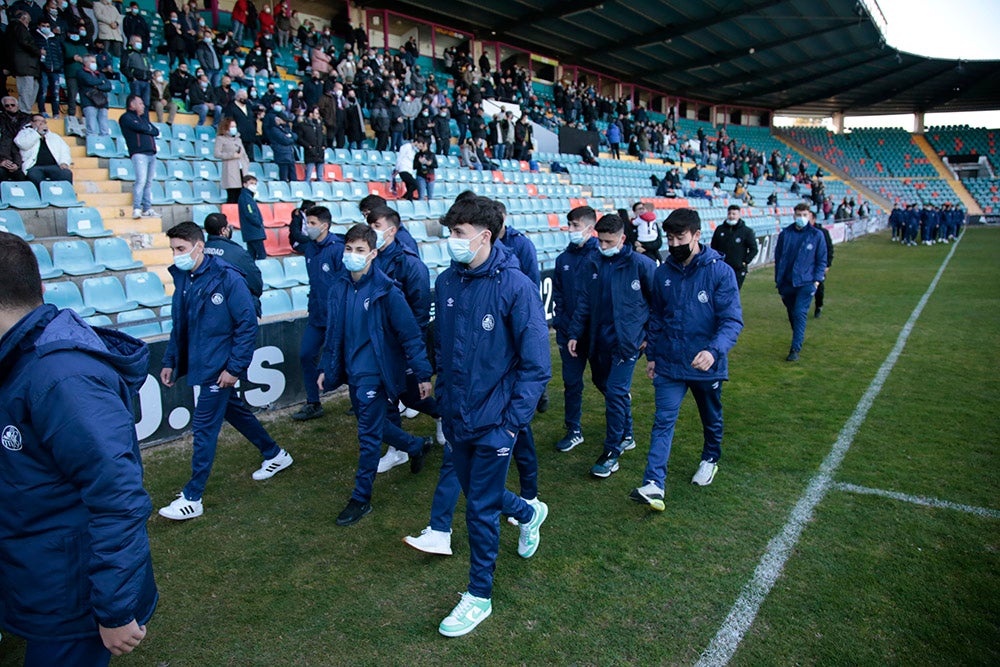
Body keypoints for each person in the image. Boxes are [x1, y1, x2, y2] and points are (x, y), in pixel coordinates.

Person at [0, 231, 158, 666]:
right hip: (40, 575)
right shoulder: (22, 360)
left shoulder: (62, 378)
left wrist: (113, 609)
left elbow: (118, 498)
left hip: (71, 598)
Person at [415, 195, 550, 638]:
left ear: (484, 236)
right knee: (479, 493)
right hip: (457, 414)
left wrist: (512, 421)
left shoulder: (516, 286)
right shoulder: (447, 283)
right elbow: (444, 346)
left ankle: (479, 595)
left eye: (458, 234)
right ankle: (529, 514)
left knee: (478, 509)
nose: (451, 242)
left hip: (496, 420)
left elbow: (535, 366)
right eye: (451, 233)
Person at [158, 222, 294, 521]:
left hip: (218, 367)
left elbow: (247, 325)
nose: (176, 255)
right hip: (203, 363)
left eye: (180, 249)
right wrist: (170, 360)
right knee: (235, 412)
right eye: (172, 250)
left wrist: (234, 368)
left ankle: (193, 497)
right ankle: (275, 454)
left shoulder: (228, 278)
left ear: (199, 246)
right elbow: (179, 324)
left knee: (204, 429)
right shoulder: (183, 277)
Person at [317, 224, 433, 526]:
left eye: (359, 250)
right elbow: (333, 334)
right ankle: (415, 445)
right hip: (352, 372)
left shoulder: (387, 291)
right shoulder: (339, 286)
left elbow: (410, 335)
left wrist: (422, 374)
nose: (352, 255)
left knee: (368, 435)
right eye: (348, 249)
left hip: (376, 374)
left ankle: (360, 498)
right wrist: (325, 367)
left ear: (372, 253)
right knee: (373, 422)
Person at [631, 209, 744, 510]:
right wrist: (652, 356)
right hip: (669, 362)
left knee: (711, 416)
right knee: (663, 421)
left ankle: (710, 457)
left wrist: (713, 351)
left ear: (696, 235)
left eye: (680, 237)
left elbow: (732, 321)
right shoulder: (663, 273)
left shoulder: (720, 272)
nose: (674, 243)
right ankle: (654, 483)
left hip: (706, 364)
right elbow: (657, 317)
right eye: (669, 238)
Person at [567, 213, 656, 478]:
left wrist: (648, 336)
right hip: (598, 340)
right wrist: (575, 333)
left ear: (622, 239)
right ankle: (627, 433)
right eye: (600, 241)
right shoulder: (592, 262)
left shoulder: (641, 265)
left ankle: (611, 452)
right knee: (603, 385)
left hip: (627, 343)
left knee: (616, 392)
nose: (603, 246)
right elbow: (583, 301)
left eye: (608, 241)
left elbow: (659, 305)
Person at [366, 206, 444, 470]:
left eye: (376, 226)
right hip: (378, 344)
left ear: (392, 230)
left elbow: (419, 314)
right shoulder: (371, 258)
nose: (371, 231)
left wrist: (413, 351)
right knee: (387, 398)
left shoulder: (411, 264)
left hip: (403, 344)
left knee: (411, 396)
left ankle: (440, 415)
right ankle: (398, 448)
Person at [288, 205, 344, 422]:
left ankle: (360, 400)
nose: (308, 227)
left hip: (336, 317)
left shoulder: (338, 249)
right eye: (307, 223)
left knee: (345, 359)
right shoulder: (310, 248)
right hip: (317, 315)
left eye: (312, 223)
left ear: (325, 226)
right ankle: (313, 402)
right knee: (306, 354)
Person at [552, 206, 599, 452]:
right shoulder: (563, 260)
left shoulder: (600, 256)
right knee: (572, 383)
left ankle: (623, 429)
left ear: (591, 229)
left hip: (597, 335)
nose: (570, 230)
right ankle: (574, 430)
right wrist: (562, 323)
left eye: (575, 226)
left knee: (607, 384)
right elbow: (558, 296)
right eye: (569, 225)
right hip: (568, 333)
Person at [774, 203, 827, 362]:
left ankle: (795, 349)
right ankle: (798, 334)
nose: (801, 218)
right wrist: (779, 280)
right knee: (792, 314)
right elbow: (778, 258)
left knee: (799, 312)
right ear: (794, 215)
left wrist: (817, 281)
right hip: (787, 283)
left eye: (804, 214)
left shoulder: (816, 235)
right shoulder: (786, 234)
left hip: (806, 282)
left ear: (809, 215)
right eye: (798, 214)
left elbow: (821, 259)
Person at [203, 212, 263, 317]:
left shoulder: (200, 252)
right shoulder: (237, 253)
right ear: (223, 231)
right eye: (228, 226)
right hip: (234, 308)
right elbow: (255, 282)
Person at [119, 94, 159, 219]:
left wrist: (146, 128)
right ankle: (136, 208)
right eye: (140, 103)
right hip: (139, 153)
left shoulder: (143, 118)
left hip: (151, 154)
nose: (143, 106)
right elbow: (139, 127)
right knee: (140, 181)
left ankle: (147, 208)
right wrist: (146, 128)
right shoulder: (126, 118)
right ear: (132, 105)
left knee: (148, 182)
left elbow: (155, 131)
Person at [15, 114, 73, 186]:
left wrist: (64, 162)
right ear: (31, 123)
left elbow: (65, 150)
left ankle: (64, 196)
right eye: (38, 121)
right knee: (35, 177)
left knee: (66, 174)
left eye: (43, 121)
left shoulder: (54, 136)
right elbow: (23, 144)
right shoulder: (24, 133)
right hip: (34, 167)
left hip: (53, 166)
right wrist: (37, 133)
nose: (41, 123)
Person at [710, 204, 759, 290]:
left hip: (738, 269)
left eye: (734, 214)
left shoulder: (746, 231)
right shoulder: (720, 229)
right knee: (719, 291)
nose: (731, 216)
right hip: (721, 267)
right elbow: (713, 247)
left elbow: (753, 249)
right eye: (729, 213)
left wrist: (745, 261)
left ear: (739, 215)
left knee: (733, 292)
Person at [10, 10, 41, 114]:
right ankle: (24, 114)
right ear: (23, 19)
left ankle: (25, 112)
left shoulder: (19, 28)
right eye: (28, 21)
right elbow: (25, 43)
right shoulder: (18, 27)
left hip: (30, 67)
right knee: (26, 92)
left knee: (32, 90)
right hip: (24, 66)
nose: (28, 23)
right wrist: (38, 51)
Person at [214, 117, 250, 203]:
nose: (234, 128)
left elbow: (244, 154)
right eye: (232, 126)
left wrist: (246, 162)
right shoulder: (221, 139)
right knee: (232, 195)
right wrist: (231, 155)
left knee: (241, 195)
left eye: (235, 126)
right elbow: (217, 154)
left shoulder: (238, 139)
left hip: (242, 169)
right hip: (230, 169)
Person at [77, 55, 113, 136]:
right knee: (91, 128)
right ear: (85, 63)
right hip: (89, 102)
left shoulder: (100, 74)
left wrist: (97, 85)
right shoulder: (81, 72)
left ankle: (105, 144)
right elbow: (89, 81)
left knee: (104, 128)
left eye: (95, 62)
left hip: (102, 102)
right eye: (92, 62)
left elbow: (109, 86)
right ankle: (92, 145)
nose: (94, 64)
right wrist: (101, 82)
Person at [238, 174, 266, 260]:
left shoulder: (247, 196)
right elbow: (250, 213)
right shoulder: (246, 198)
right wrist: (258, 223)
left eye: (255, 183)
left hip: (251, 232)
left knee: (251, 256)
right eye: (251, 183)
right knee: (261, 255)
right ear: (244, 184)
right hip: (254, 231)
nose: (253, 185)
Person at [811, 211, 833, 318]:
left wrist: (827, 264)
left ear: (814, 219)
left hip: (819, 265)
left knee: (818, 287)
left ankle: (818, 306)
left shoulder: (822, 232)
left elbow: (829, 249)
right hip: (805, 266)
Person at [121, 35, 152, 108]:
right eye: (137, 41)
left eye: (140, 42)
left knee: (146, 104)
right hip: (136, 82)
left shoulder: (143, 55)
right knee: (136, 103)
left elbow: (148, 67)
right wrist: (132, 78)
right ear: (131, 42)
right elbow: (124, 67)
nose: (140, 43)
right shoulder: (128, 53)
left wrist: (149, 78)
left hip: (146, 82)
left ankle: (144, 119)